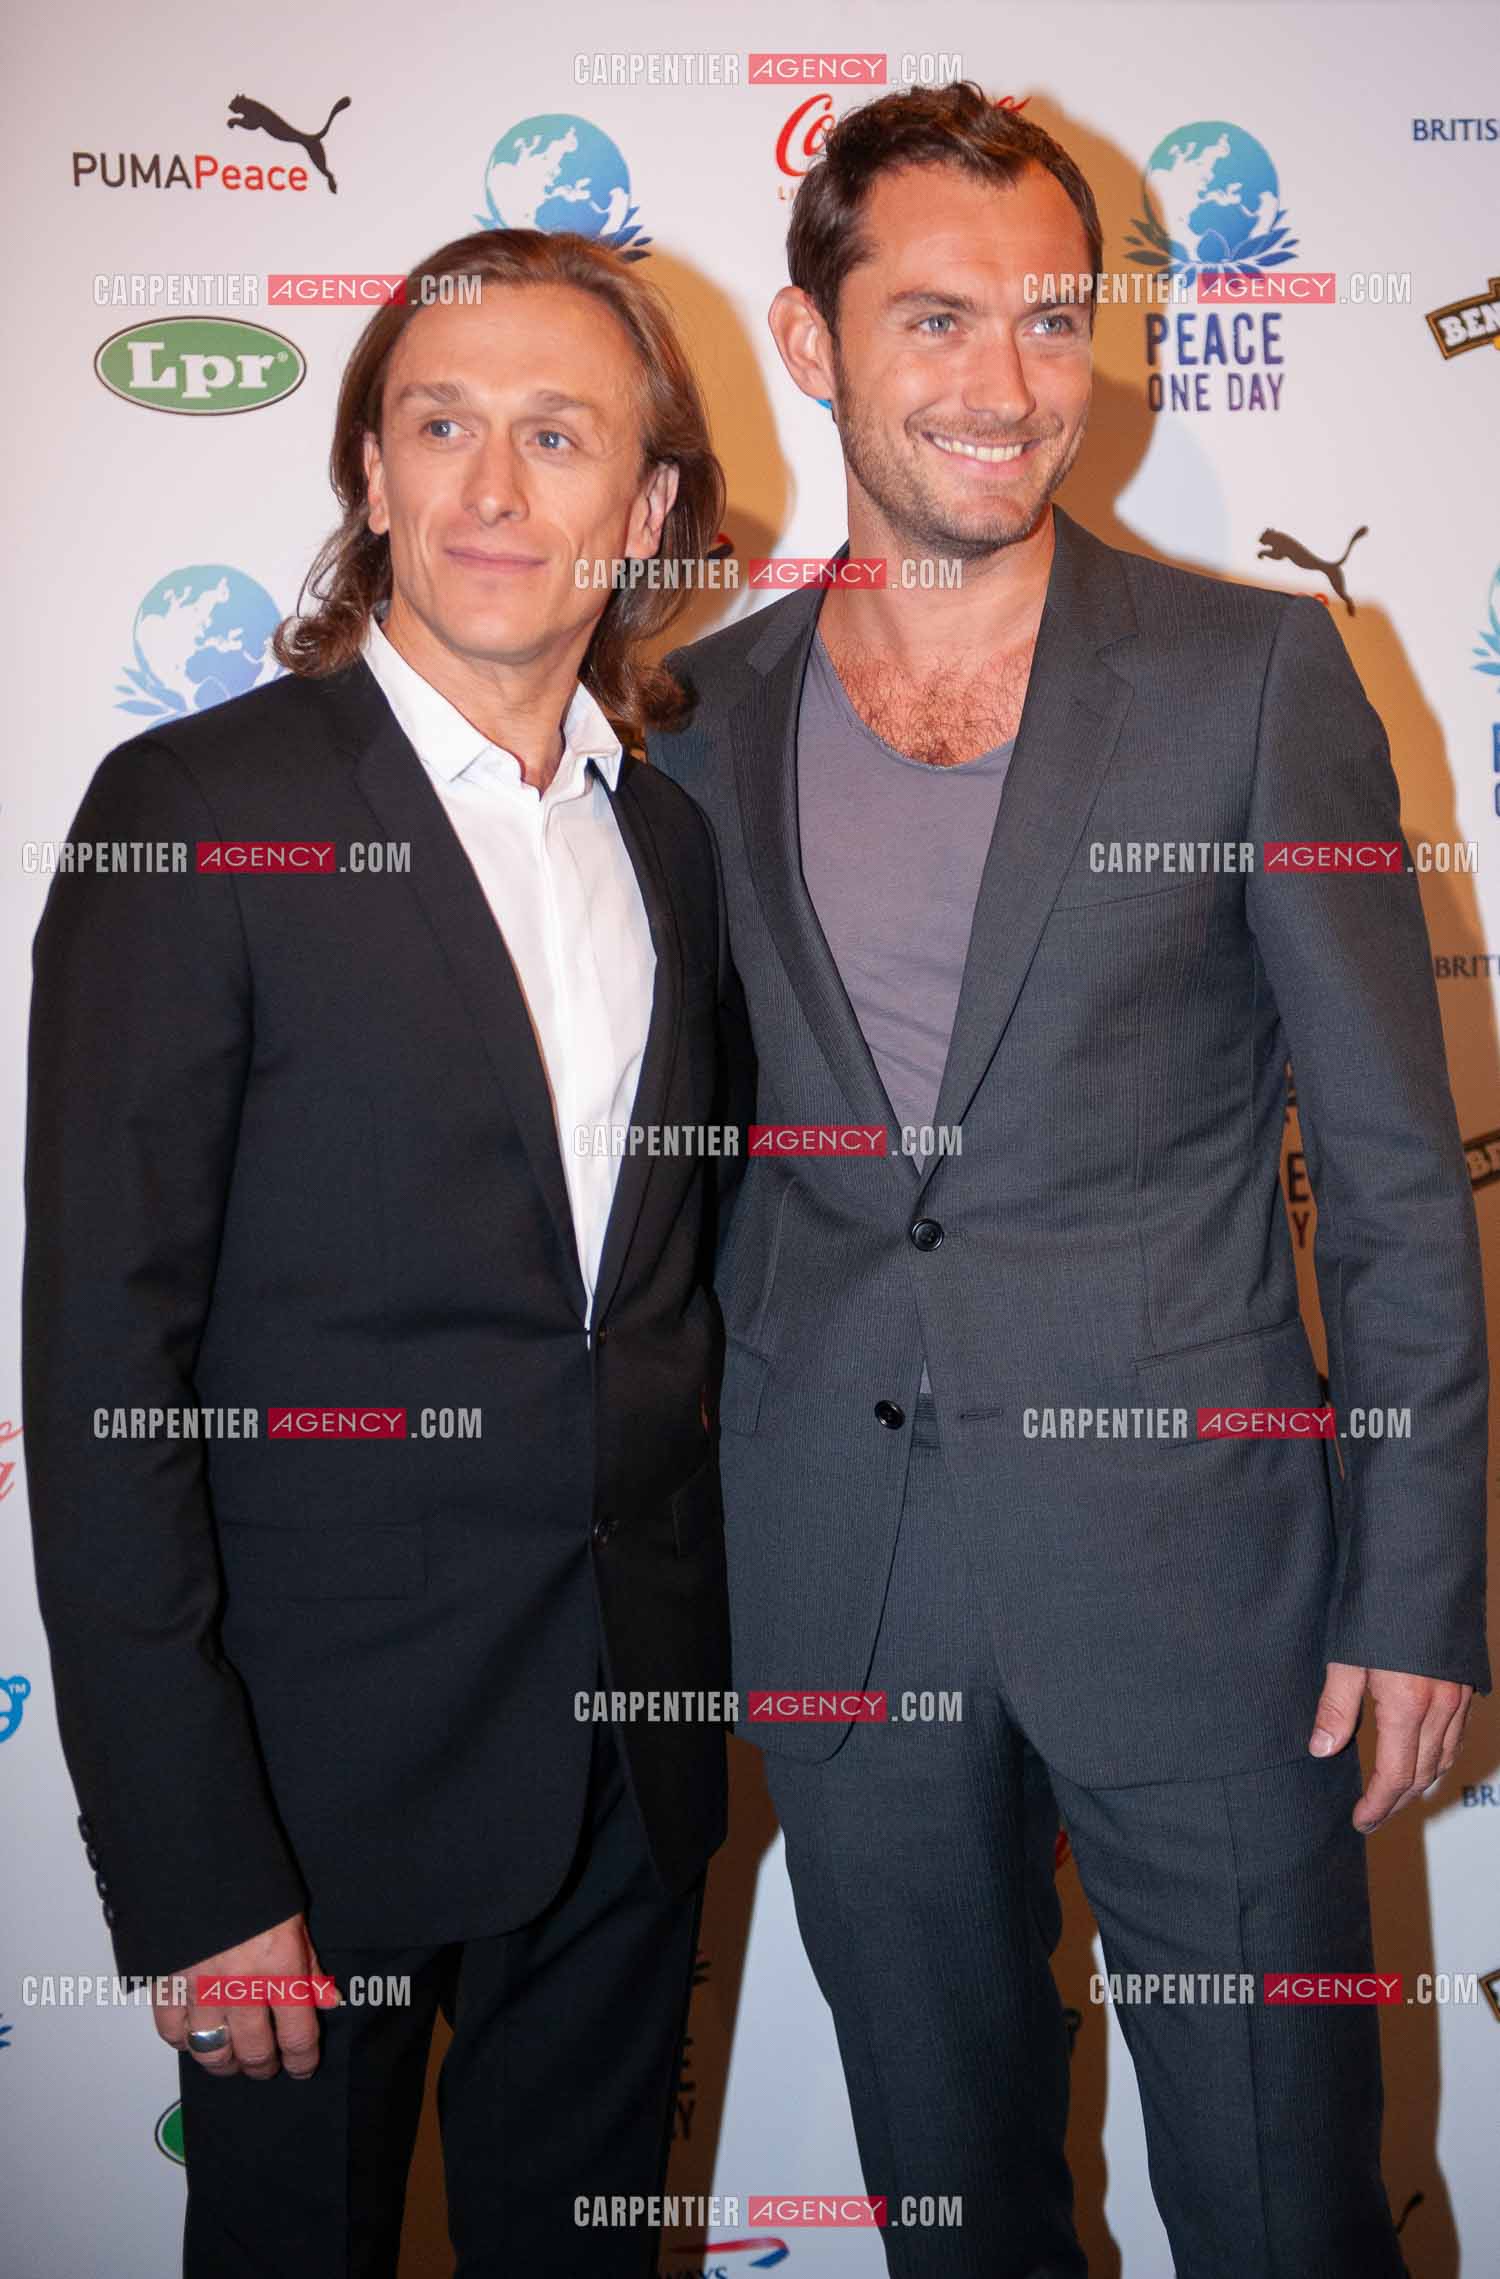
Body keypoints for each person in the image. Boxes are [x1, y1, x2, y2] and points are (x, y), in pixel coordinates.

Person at [648, 83, 1489, 2279]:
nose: (1008, 384)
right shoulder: (686, 724)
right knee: (955, 2211)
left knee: (1289, 2210)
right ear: (813, 341)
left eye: (1051, 319)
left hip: (1210, 1588)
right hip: (843, 1585)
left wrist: (1416, 1587)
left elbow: (1397, 1178)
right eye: (935, 319)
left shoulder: (1256, 675)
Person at [24, 227, 739, 2279]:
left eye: (556, 435)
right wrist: (191, 1865)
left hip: (628, 1766)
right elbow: (103, 1370)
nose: (493, 490)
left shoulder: (665, 842)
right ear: (368, 470)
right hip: (303, 1808)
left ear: (647, 509)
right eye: (440, 426)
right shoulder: (194, 810)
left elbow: (660, 1303)